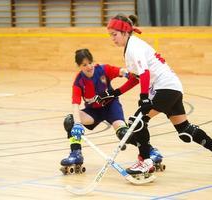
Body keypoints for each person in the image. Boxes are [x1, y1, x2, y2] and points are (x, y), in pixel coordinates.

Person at [100, 14, 212, 176]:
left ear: (125, 32)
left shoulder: (133, 47)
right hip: (171, 87)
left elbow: (145, 73)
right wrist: (116, 92)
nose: (112, 38)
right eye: (110, 35)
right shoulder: (130, 47)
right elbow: (136, 78)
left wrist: (144, 96)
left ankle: (145, 161)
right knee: (185, 131)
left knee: (137, 122)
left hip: (165, 88)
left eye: (114, 34)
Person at [60, 48, 163, 175]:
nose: (89, 67)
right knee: (69, 121)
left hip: (111, 107)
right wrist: (77, 123)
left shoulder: (103, 69)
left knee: (124, 133)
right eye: (84, 65)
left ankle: (151, 151)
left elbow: (120, 71)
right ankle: (76, 154)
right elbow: (75, 104)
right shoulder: (79, 81)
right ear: (79, 66)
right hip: (93, 111)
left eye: (90, 63)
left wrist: (127, 73)